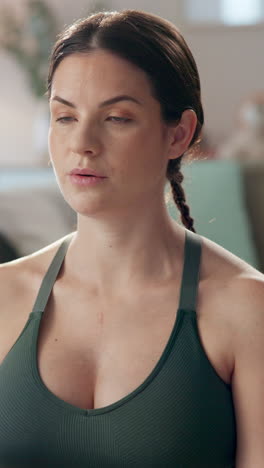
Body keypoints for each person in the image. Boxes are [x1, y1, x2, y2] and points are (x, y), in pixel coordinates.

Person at [0, 9, 263, 468]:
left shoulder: (245, 310)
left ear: (179, 134)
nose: (82, 142)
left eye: (117, 118)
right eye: (64, 117)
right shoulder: (4, 296)